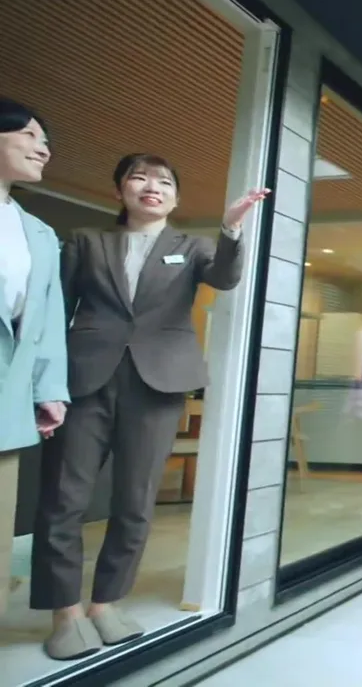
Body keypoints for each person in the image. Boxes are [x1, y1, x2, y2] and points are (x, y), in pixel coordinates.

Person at [29, 153, 269, 660]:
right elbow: (55, 312)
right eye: (138, 177)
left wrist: (230, 228)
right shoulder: (87, 241)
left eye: (163, 181)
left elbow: (225, 278)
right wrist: (44, 381)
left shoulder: (192, 246)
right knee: (63, 499)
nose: (151, 187)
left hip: (158, 384)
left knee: (135, 501)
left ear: (175, 198)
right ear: (120, 190)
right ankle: (65, 613)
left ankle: (106, 603)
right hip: (84, 379)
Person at [0, 99, 70, 622]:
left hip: (7, 405)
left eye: (45, 140)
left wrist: (48, 391)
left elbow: (46, 323)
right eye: (28, 134)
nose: (42, 148)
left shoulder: (39, 233)